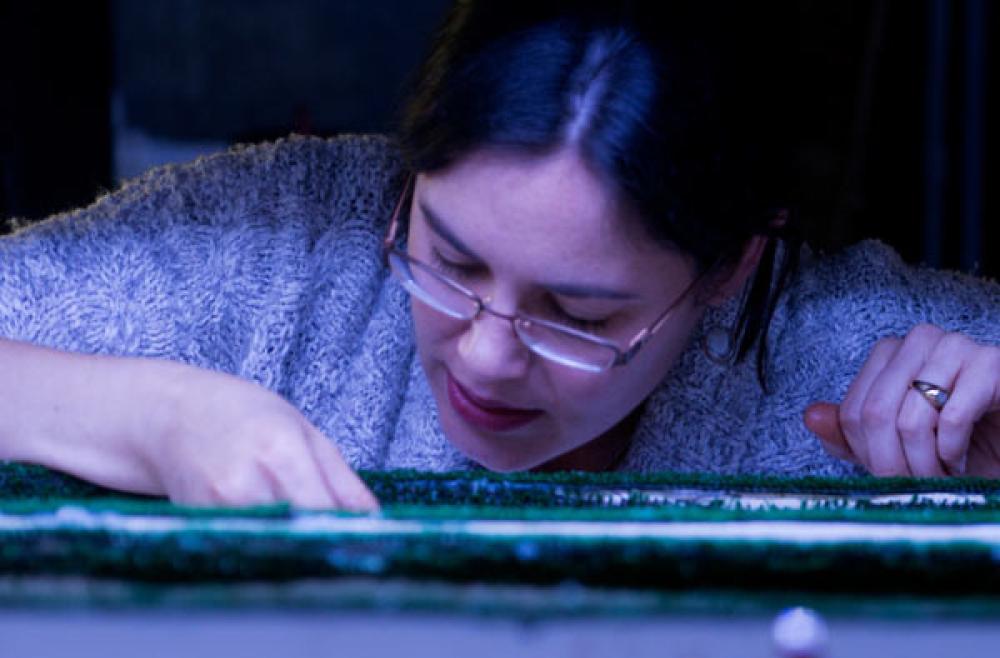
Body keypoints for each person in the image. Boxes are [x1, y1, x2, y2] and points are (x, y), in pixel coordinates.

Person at [1, 0, 999, 511]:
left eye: (580, 314)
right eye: (448, 260)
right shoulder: (282, 243)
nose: (484, 356)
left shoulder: (857, 359)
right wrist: (160, 416)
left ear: (729, 270)